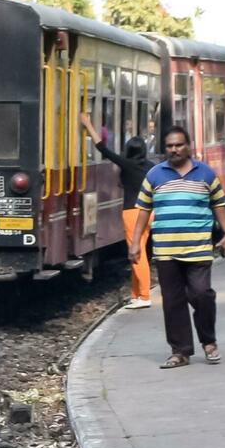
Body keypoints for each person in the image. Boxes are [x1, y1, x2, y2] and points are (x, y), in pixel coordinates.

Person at [129, 123, 225, 368]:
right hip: (166, 251)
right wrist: (135, 243)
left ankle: (209, 341)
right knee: (173, 301)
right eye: (169, 146)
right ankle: (180, 351)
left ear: (188, 147)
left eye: (179, 145)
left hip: (197, 248)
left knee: (202, 294)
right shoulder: (154, 175)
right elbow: (143, 211)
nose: (174, 150)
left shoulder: (206, 173)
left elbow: (219, 204)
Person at [80, 109, 152, 306]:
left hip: (132, 212)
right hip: (149, 212)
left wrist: (87, 124)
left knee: (137, 252)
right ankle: (136, 294)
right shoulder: (151, 167)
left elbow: (103, 148)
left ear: (129, 150)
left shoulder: (127, 165)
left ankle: (144, 296)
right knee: (139, 250)